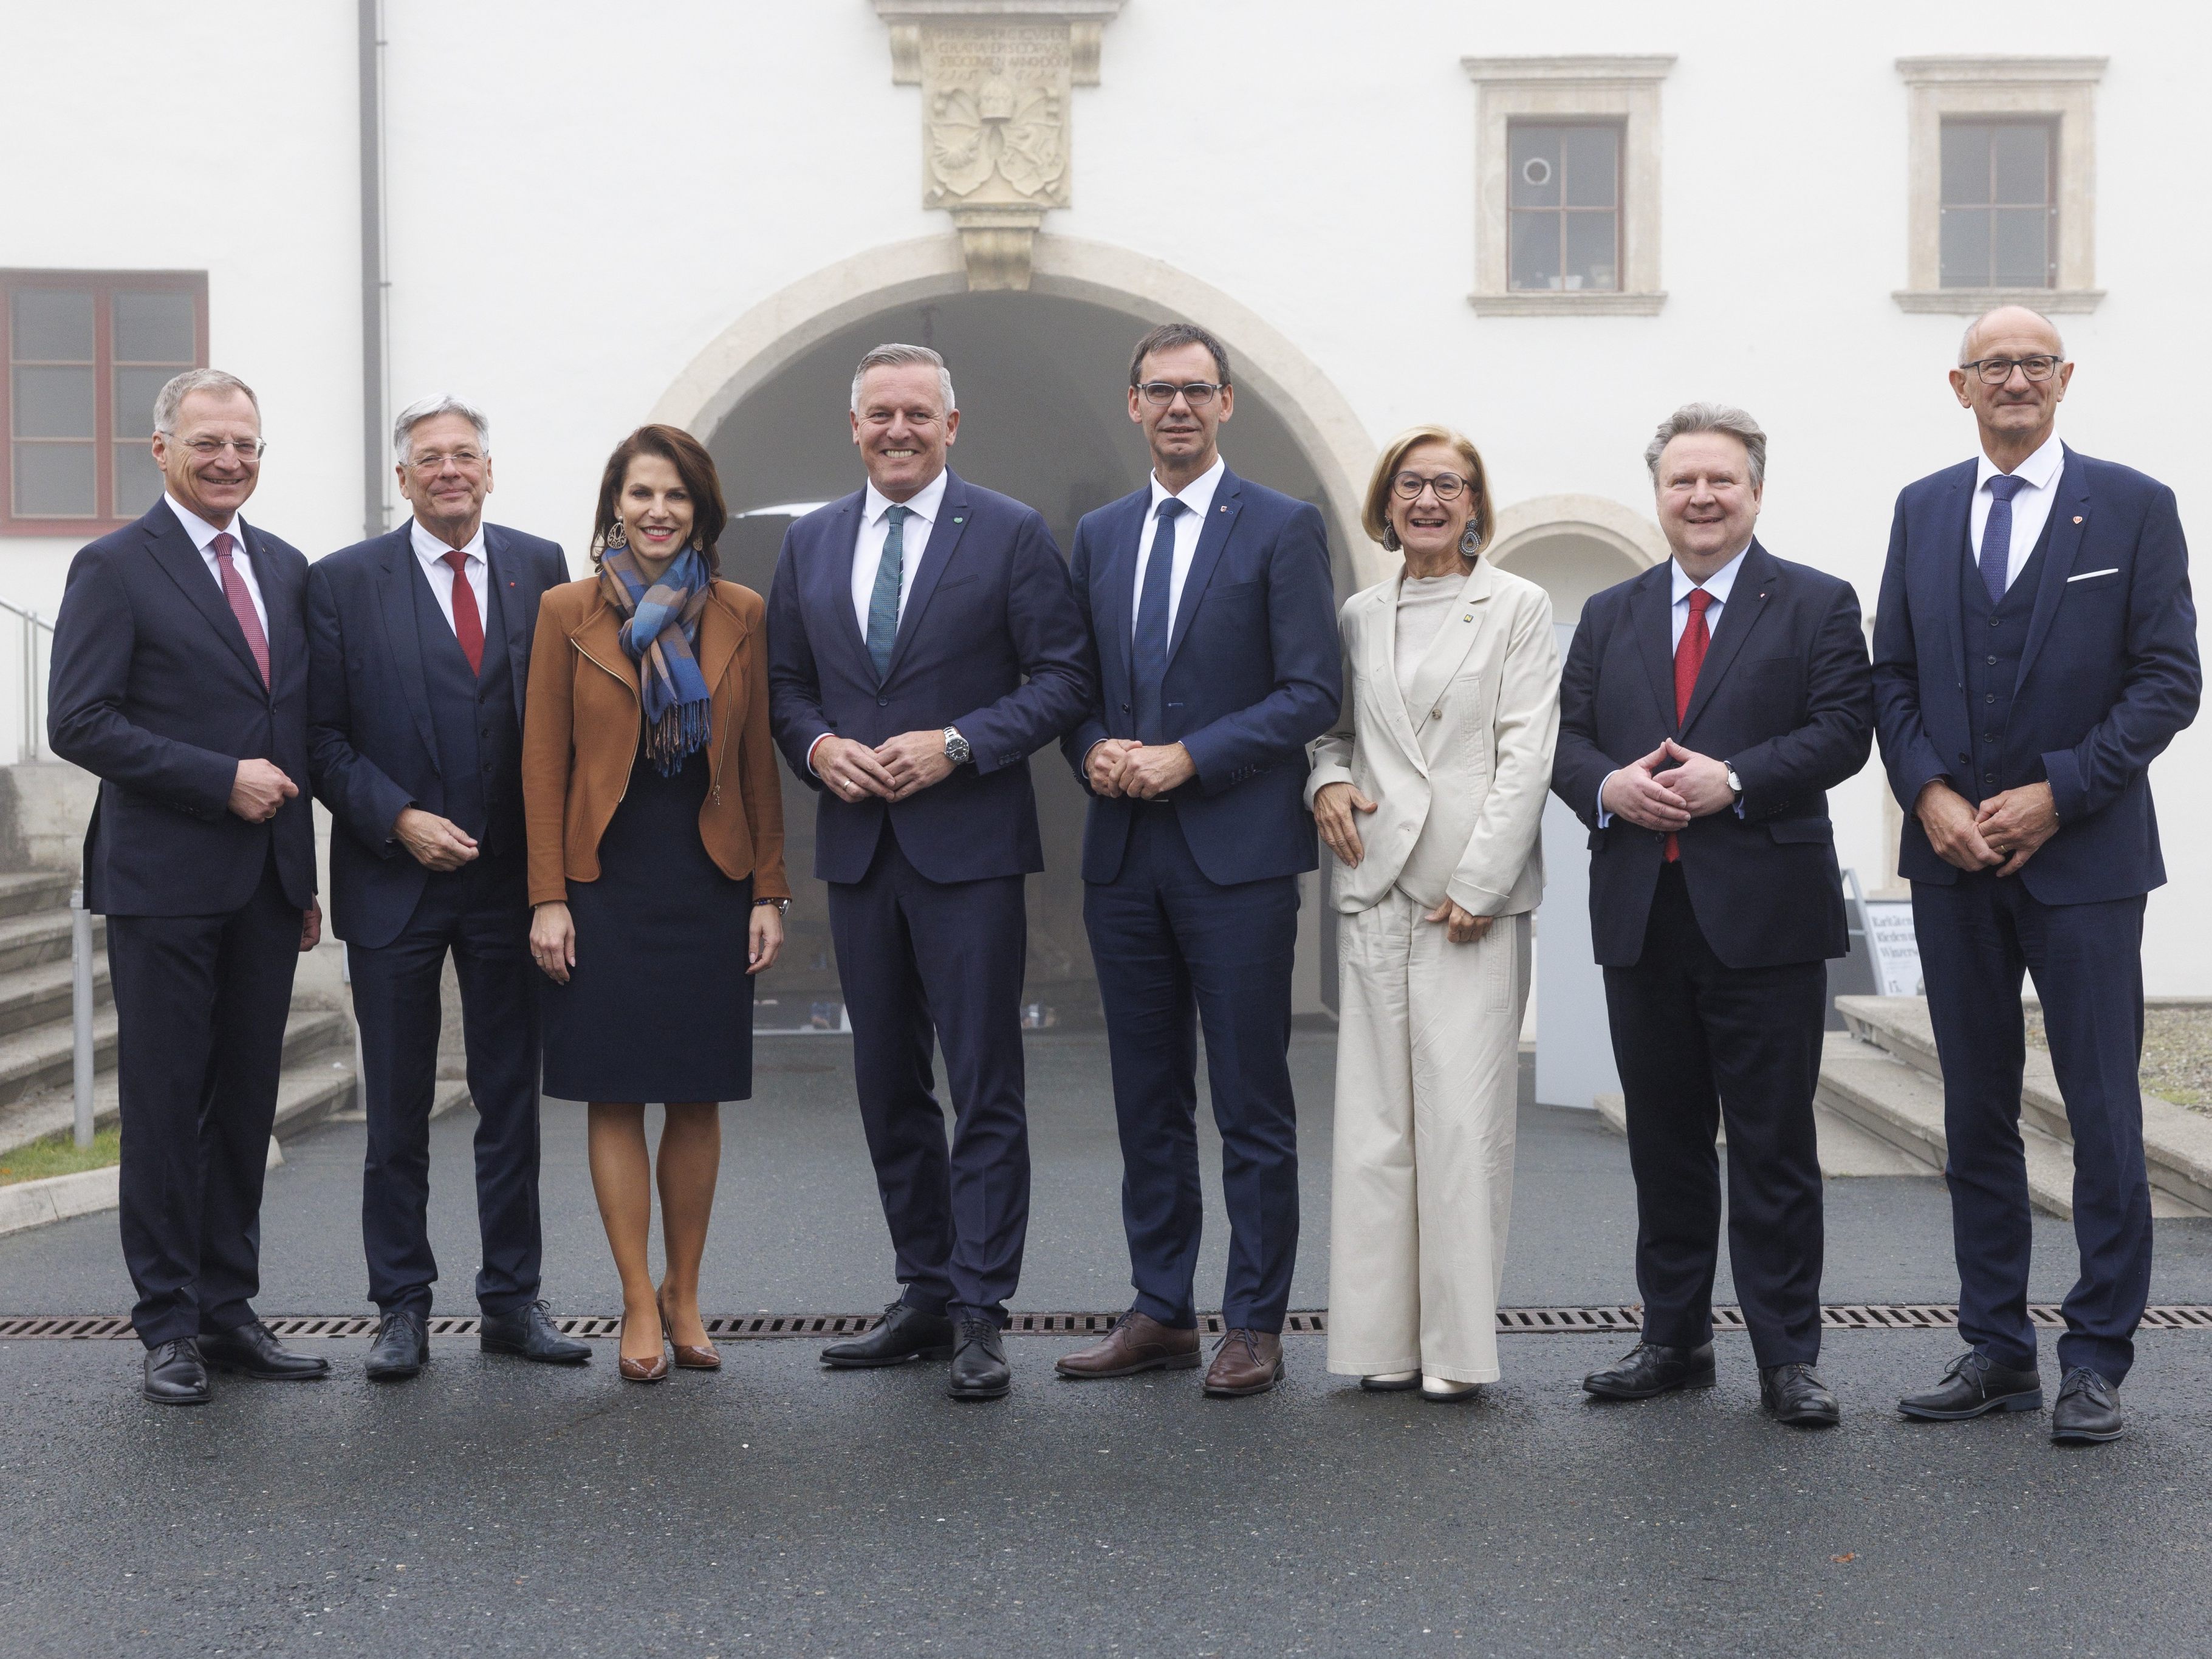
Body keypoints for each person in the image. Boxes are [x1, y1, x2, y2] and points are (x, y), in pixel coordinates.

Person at [1875, 307, 2200, 1445]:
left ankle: (2097, 1357)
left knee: (2104, 1113)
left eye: (2032, 363)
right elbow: (1892, 678)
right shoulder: (1920, 509)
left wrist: (2061, 791)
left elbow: (2167, 682)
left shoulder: (2133, 505)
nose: (2012, 379)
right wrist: (1927, 794)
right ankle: (1996, 1349)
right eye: (1990, 365)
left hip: (2090, 862)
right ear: (1957, 385)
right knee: (1974, 1113)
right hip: (1951, 859)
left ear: (2064, 378)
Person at [765, 343, 1091, 1402]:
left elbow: (1060, 679)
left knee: (984, 1080)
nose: (896, 430)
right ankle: (921, 1287)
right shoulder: (812, 540)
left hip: (971, 852)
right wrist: (817, 748)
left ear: (953, 425)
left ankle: (981, 1309)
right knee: (887, 1083)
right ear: (852, 427)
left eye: (916, 413)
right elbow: (784, 685)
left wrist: (956, 742)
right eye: (878, 415)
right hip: (860, 852)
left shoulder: (1007, 532)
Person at [1551, 402, 1871, 1428]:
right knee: (1664, 1140)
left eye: (1720, 481)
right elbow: (1561, 739)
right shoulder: (1609, 612)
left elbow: (1841, 733)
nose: (1700, 497)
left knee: (1773, 1144)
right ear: (1657, 496)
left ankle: (1788, 1357)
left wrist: (1731, 779)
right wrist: (1608, 789)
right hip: (1644, 908)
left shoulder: (1816, 603)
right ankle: (1673, 1340)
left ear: (1754, 492)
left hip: (1765, 916)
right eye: (1682, 481)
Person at [1053, 322, 1340, 1398]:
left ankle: (1254, 1321)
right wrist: (1096, 754)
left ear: (1228, 405)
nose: (1177, 407)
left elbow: (1311, 691)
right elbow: (1070, 686)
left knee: (1251, 1102)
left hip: (1238, 860)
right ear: (1131, 405)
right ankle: (1161, 1310)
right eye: (1158, 391)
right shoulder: (1100, 535)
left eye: (1197, 390)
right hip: (1124, 859)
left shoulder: (1280, 526)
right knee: (1146, 1097)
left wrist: (1190, 758)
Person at [48, 369, 326, 1406]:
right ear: (160, 449)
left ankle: (227, 1308)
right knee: (167, 1108)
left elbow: (288, 729)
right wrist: (220, 782)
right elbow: (78, 722)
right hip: (162, 882)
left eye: (246, 445)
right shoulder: (114, 567)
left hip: (263, 886)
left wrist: (300, 875)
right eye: (208, 442)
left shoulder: (288, 570)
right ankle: (165, 1322)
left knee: (244, 1105)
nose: (229, 461)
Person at [307, 394, 586, 1381]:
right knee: (398, 1108)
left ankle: (512, 1300)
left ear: (490, 470)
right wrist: (396, 818)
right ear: (403, 480)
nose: (449, 471)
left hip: (514, 882)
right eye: (429, 459)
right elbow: (320, 737)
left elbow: (560, 720)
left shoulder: (540, 566)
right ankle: (401, 1306)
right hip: (394, 879)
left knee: (511, 1101)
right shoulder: (342, 583)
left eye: (465, 455)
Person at [522, 425, 789, 1383]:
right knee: (613, 1090)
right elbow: (542, 762)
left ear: (700, 509)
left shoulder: (742, 612)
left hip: (706, 879)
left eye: (675, 496)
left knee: (696, 1093)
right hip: (603, 882)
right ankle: (636, 1297)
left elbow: (757, 761)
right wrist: (546, 896)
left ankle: (686, 1291)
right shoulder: (565, 611)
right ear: (614, 506)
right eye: (640, 494)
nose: (658, 512)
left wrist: (768, 888)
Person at [1307, 426, 1558, 1403]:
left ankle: (1455, 1353)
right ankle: (1380, 1343)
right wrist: (1324, 784)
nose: (1427, 501)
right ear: (1385, 499)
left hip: (1468, 901)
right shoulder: (1361, 614)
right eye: (1410, 485)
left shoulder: (1518, 606)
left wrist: (1481, 883)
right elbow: (1329, 734)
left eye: (1447, 486)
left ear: (1474, 503)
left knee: (1460, 1128)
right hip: (1372, 881)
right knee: (1374, 1133)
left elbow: (1524, 750)